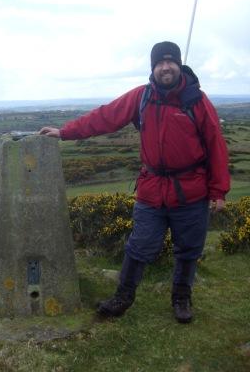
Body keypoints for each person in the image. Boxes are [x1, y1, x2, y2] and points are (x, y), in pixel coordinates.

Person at [40, 41, 230, 323]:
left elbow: (216, 146)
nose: (166, 67)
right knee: (139, 246)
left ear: (179, 65)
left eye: (171, 62)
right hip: (152, 189)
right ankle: (123, 297)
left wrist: (218, 191)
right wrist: (65, 132)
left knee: (189, 249)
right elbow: (105, 117)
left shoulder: (197, 101)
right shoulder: (142, 97)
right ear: (153, 68)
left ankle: (181, 298)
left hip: (190, 191)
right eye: (160, 63)